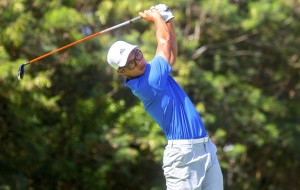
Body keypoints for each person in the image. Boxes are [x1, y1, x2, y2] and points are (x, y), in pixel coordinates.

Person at [107, 4, 223, 190]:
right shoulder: (148, 83)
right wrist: (156, 18)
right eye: (130, 64)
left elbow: (171, 54)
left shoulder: (152, 72)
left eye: (136, 54)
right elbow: (163, 42)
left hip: (206, 149)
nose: (138, 62)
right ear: (122, 72)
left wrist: (168, 19)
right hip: (183, 158)